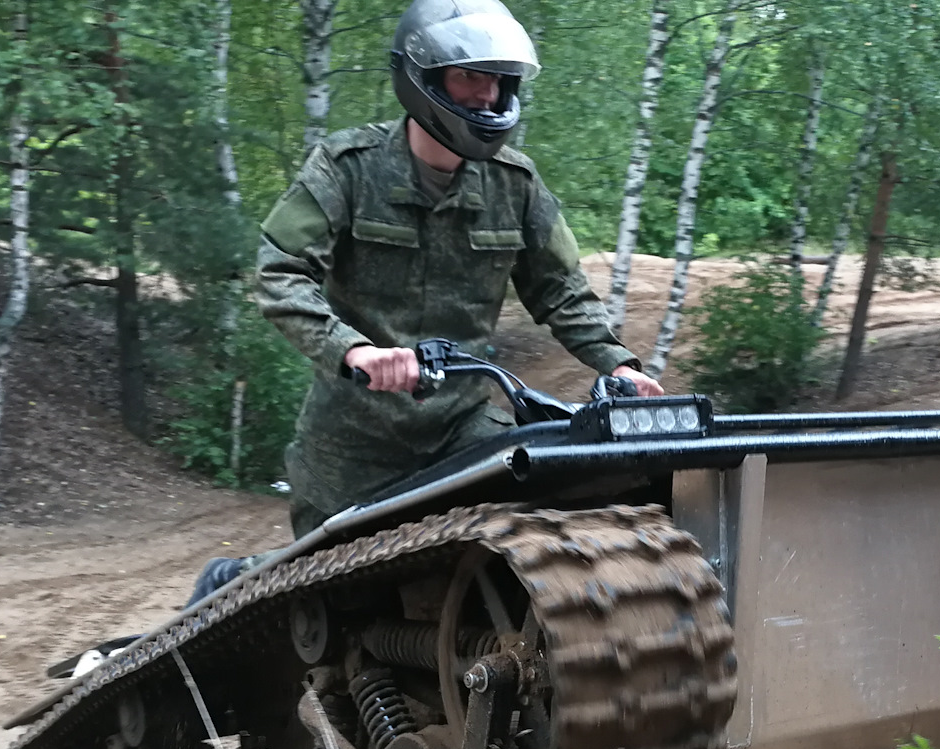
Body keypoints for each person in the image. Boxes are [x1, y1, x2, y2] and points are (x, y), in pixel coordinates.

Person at [254, 0, 661, 541]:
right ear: (424, 79)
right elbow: (279, 272)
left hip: (461, 427)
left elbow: (561, 289)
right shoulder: (347, 167)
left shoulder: (515, 184)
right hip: (352, 442)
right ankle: (227, 581)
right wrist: (355, 351)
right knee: (331, 597)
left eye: (497, 79)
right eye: (471, 75)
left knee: (557, 517)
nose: (488, 94)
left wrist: (618, 365)